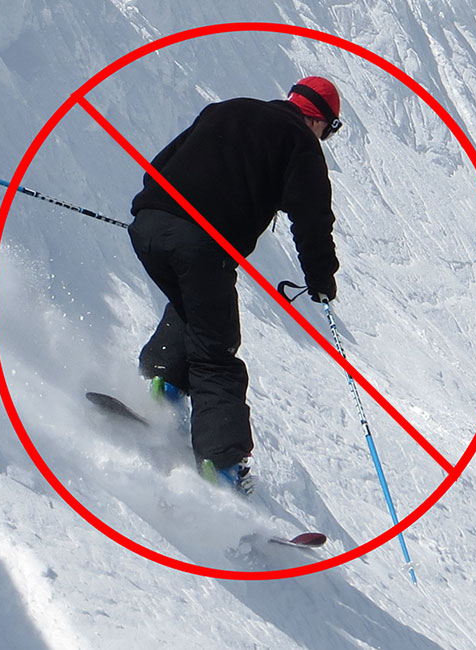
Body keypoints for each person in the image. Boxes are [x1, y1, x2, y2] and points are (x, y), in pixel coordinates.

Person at [127, 76, 342, 496]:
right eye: (329, 130)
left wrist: (156, 214)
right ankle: (221, 467)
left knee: (194, 307)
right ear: (320, 120)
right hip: (201, 243)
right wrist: (321, 281)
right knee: (216, 352)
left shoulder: (229, 106)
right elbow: (313, 220)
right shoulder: (301, 143)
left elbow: (164, 160)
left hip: (149, 225)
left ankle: (161, 386)